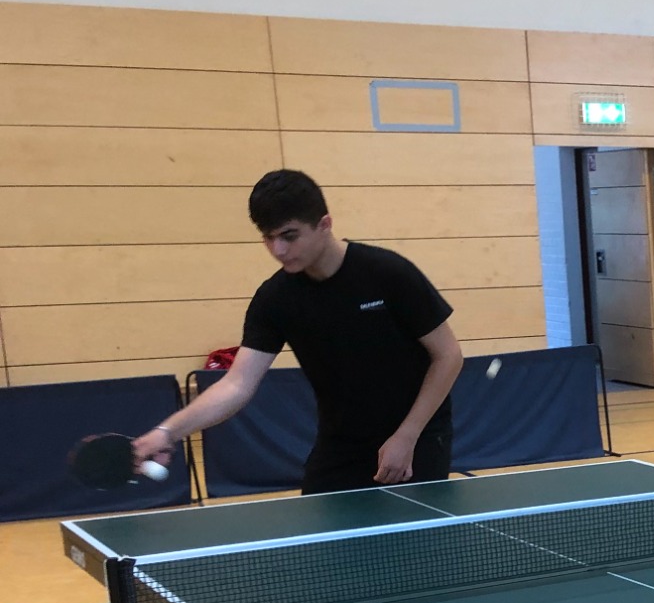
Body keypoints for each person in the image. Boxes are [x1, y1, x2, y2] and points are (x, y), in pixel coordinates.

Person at [134, 170, 463, 494]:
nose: (278, 250)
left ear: (325, 224)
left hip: (417, 437)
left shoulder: (387, 273)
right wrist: (167, 432)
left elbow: (448, 356)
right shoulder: (275, 299)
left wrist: (407, 435)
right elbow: (236, 384)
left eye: (289, 236)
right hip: (340, 445)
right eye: (268, 237)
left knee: (416, 530)